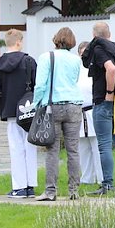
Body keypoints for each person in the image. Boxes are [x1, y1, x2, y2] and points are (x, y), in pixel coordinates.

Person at [32, 27, 83, 201]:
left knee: (52, 150)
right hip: (74, 105)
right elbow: (74, 81)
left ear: (56, 39)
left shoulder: (46, 57)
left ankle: (50, 191)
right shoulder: (76, 60)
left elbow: (40, 85)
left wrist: (36, 103)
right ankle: (74, 190)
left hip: (52, 106)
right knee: (73, 151)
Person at [80, 21, 115, 195]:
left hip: (104, 100)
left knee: (105, 145)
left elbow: (111, 69)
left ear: (95, 37)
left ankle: (107, 183)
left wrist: (109, 92)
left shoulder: (99, 49)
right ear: (109, 34)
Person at [0, 29, 38, 199]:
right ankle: (30, 185)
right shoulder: (29, 61)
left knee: (16, 149)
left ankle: (19, 187)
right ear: (18, 42)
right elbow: (36, 86)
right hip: (29, 111)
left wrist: (2, 108)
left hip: (10, 111)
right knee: (30, 147)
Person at [77, 41, 103, 186]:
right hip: (79, 112)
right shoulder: (76, 70)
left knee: (97, 146)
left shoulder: (96, 68)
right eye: (81, 53)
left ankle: (101, 177)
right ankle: (87, 177)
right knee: (83, 148)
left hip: (93, 109)